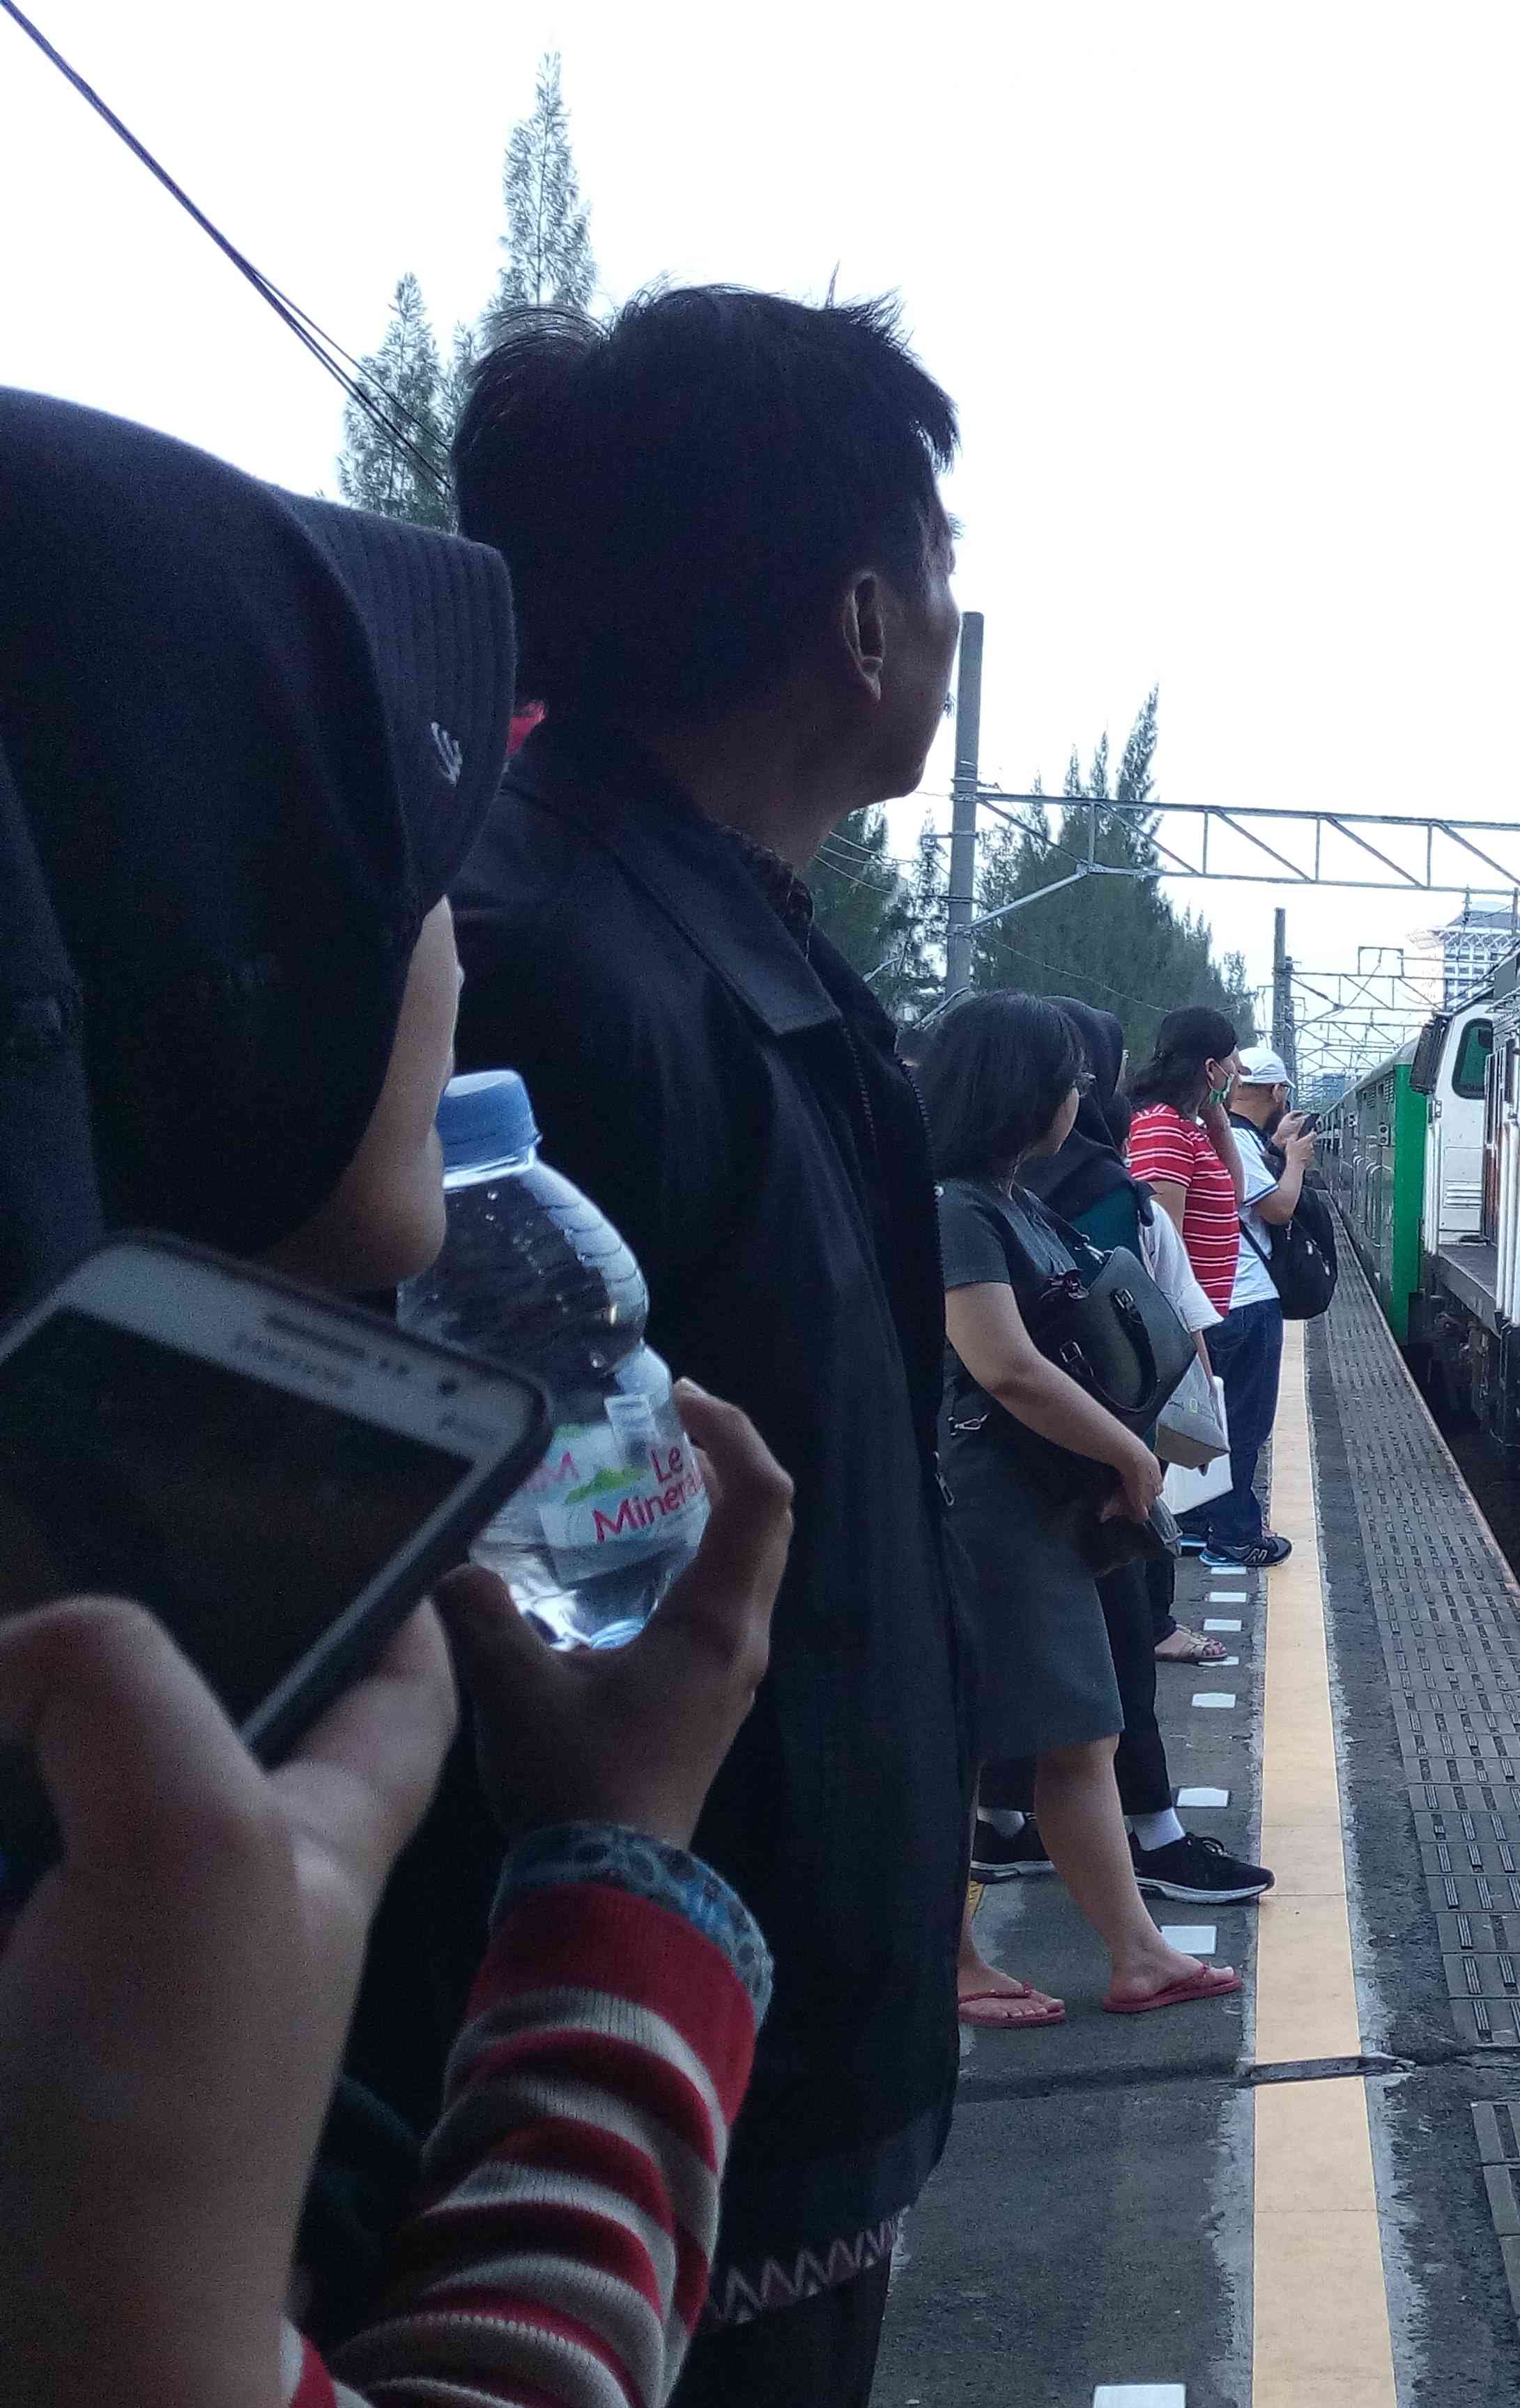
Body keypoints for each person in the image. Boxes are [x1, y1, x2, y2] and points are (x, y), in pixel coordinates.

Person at [0, 385, 801, 2405]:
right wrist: (149, 2320)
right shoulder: (115, 1890)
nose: (449, 945)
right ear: (197, 968)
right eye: (387, 861)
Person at [408, 286, 976, 2396]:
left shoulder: (695, 943)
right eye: (938, 568)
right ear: (860, 620)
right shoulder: (554, 975)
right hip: (654, 2053)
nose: (940, 616)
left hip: (734, 2015)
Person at [923, 991, 1244, 2025]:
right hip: (992, 1510)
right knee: (972, 1743)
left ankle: (1138, 1954)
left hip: (1044, 1506)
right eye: (1068, 1082)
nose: (1079, 1099)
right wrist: (1127, 1455)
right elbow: (1005, 1367)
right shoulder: (958, 1210)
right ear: (1022, 1091)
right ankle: (956, 1962)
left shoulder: (1014, 1201)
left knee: (1078, 1734)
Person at [970, 1001, 1270, 1906]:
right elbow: (1123, 1338)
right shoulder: (1100, 1193)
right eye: (1078, 1077)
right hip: (1083, 1460)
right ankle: (1155, 1836)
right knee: (1115, 1651)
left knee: (1035, 1653)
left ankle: (1007, 1820)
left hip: (1014, 1464)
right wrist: (1136, 1453)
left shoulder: (992, 1196)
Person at [1122, 1009, 1289, 1568]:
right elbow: (1162, 1243)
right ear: (1214, 1067)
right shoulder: (1162, 1129)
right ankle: (1229, 1536)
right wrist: (1186, 1336)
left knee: (1214, 1429)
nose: (1241, 1073)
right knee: (1227, 1428)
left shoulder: (1186, 1126)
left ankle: (1197, 1526)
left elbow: (1234, 1189)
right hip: (1200, 1319)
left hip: (1217, 1310)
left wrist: (1215, 1116)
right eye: (1234, 1062)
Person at [1181, 1042, 1314, 1569]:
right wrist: (1297, 1163)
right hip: (1244, 1297)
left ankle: (1193, 1521)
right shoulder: (1233, 1140)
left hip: (1212, 1296)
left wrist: (1278, 1148)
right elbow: (1278, 1209)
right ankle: (1235, 1535)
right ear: (1279, 1091)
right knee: (1243, 1424)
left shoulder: (1226, 1137)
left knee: (1206, 1417)